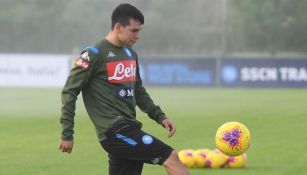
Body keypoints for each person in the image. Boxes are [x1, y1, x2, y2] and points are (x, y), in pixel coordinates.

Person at [58, 3, 189, 175]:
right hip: (114, 131)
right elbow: (69, 91)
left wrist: (160, 117)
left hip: (129, 128)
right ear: (118, 27)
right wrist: (67, 133)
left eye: (139, 30)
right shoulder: (93, 54)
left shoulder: (130, 54)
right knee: (171, 157)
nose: (138, 36)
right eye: (133, 30)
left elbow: (138, 90)